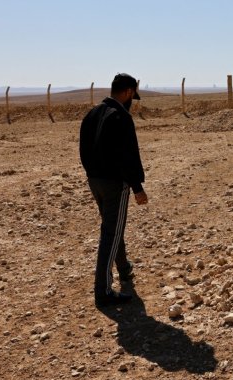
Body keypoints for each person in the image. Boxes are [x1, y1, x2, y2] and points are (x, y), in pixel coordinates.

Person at [79, 73, 148, 306]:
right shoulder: (121, 117)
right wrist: (137, 187)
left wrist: (92, 174)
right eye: (132, 95)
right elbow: (127, 157)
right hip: (114, 184)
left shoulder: (92, 113)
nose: (132, 100)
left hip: (95, 180)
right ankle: (104, 291)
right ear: (128, 92)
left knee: (112, 227)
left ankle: (124, 268)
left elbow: (83, 149)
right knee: (111, 233)